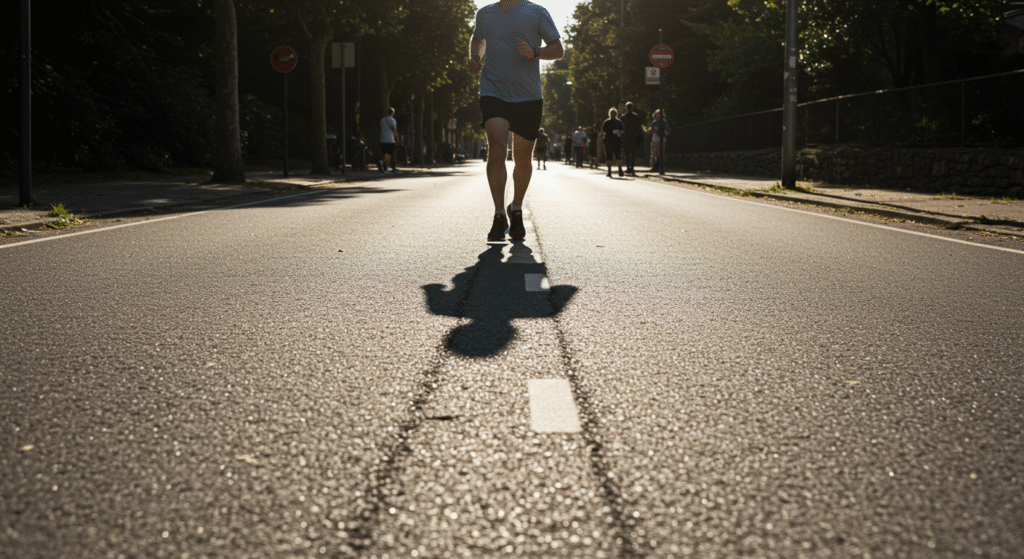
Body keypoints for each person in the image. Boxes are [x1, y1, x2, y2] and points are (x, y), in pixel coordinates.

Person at [467, 0, 563, 243]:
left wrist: (536, 52)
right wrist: (476, 58)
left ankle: (516, 208)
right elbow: (478, 39)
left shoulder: (536, 12)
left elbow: (558, 50)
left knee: (522, 158)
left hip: (528, 95)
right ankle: (499, 214)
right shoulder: (485, 14)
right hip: (493, 91)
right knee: (497, 149)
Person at [620, 102, 642, 175]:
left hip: (625, 137)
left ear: (626, 108)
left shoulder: (623, 117)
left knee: (627, 153)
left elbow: (621, 128)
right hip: (633, 137)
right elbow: (638, 127)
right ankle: (632, 167)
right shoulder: (636, 116)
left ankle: (628, 167)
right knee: (632, 153)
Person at [601, 108, 624, 178]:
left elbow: (603, 132)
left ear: (609, 114)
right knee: (618, 156)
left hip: (608, 141)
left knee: (609, 156)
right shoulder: (619, 122)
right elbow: (623, 131)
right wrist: (618, 132)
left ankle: (609, 172)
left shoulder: (606, 122)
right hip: (617, 141)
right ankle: (620, 169)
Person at [379, 108, 400, 174]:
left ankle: (385, 169)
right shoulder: (392, 120)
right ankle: (382, 162)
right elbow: (394, 129)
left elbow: (380, 128)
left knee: (385, 153)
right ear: (393, 113)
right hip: (390, 139)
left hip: (383, 139)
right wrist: (397, 138)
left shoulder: (382, 119)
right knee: (389, 154)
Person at [649, 109, 670, 173]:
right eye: (657, 114)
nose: (658, 115)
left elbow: (668, 131)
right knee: (653, 153)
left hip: (662, 139)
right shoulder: (654, 122)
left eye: (659, 114)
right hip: (655, 139)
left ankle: (660, 167)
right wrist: (653, 131)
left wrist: (665, 132)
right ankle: (653, 166)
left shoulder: (664, 122)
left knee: (661, 154)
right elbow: (650, 130)